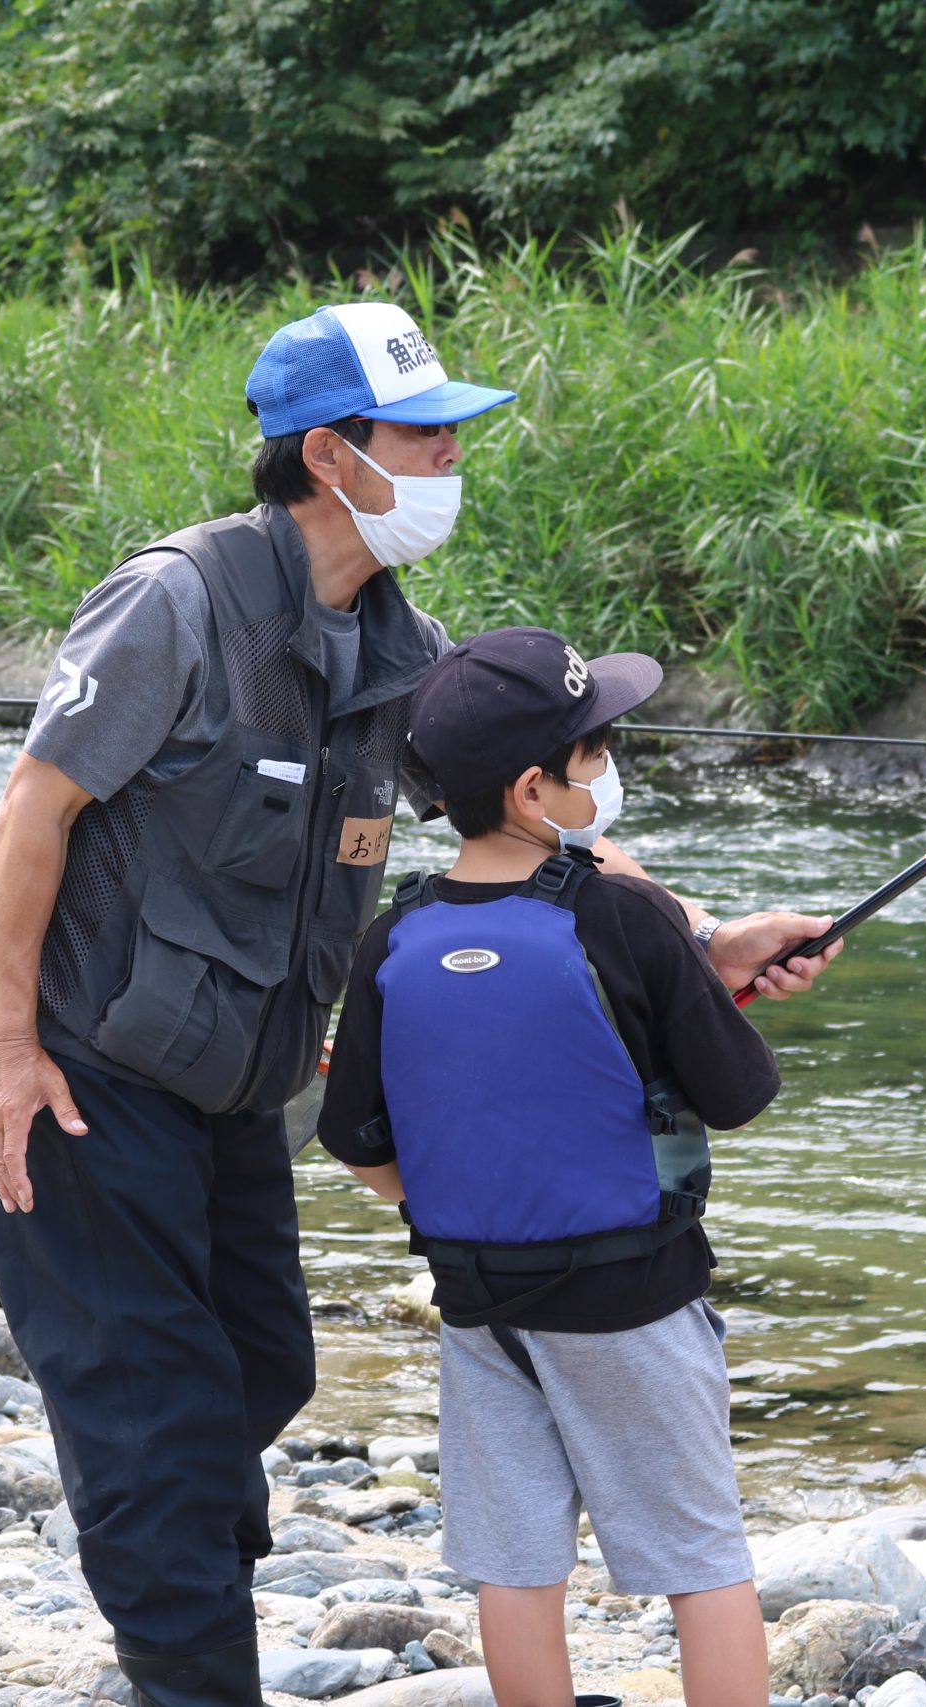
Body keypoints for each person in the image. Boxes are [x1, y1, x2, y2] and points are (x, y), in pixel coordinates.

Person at [0, 303, 840, 1707]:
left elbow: (529, 822)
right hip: (83, 1073)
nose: (451, 454)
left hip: (239, 1087)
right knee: (156, 1415)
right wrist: (8, 1048)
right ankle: (191, 1659)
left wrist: (702, 939)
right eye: (426, 431)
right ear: (329, 453)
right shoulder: (172, 602)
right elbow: (32, 808)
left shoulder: (403, 643)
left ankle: (175, 1581)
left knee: (262, 1367)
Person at [314, 628, 791, 1707]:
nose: (606, 766)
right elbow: (736, 1095)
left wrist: (455, 1213)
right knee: (700, 1561)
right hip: (634, 1300)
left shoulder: (390, 939)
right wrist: (708, 993)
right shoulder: (620, 913)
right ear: (535, 790)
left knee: (516, 1562)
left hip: (480, 1303)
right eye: (595, 748)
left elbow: (355, 1138)